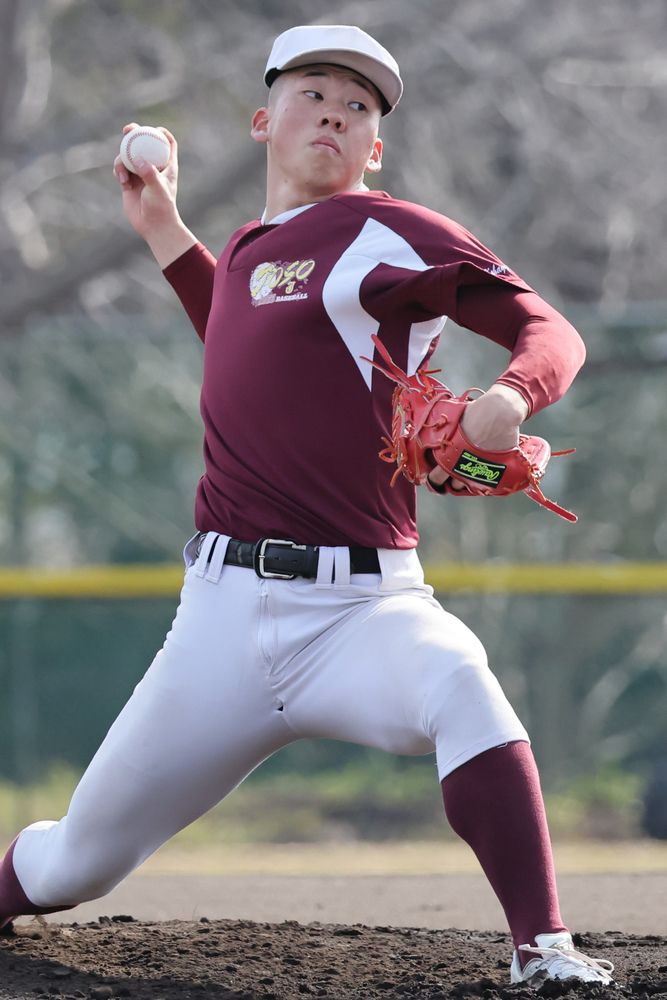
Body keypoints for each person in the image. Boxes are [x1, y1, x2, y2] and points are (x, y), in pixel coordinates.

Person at [0, 24, 613, 987]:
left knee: (459, 680)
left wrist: (510, 396)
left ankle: (544, 951)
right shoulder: (250, 249)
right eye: (313, 91)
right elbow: (240, 336)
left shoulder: (389, 231)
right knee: (71, 862)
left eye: (359, 105)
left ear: (376, 147)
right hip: (219, 621)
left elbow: (549, 327)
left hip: (363, 610)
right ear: (262, 121)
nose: (336, 109)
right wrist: (165, 230)